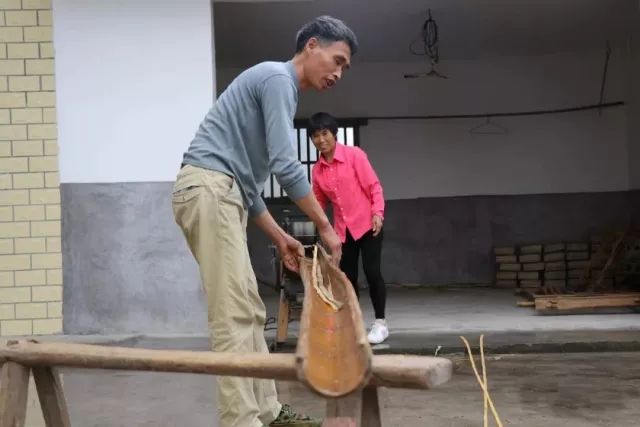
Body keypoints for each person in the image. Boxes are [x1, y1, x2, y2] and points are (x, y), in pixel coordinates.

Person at [171, 16, 358, 427]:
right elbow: (285, 165)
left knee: (251, 312)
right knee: (234, 314)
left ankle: (268, 412)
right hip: (210, 189)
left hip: (223, 191)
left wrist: (279, 237)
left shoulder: (274, 87)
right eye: (337, 59)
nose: (338, 73)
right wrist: (325, 225)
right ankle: (242, 421)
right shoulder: (278, 79)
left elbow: (249, 186)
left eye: (345, 68)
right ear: (312, 46)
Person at [308, 112, 389, 345]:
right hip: (343, 232)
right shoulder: (318, 170)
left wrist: (378, 213)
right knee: (348, 279)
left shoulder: (354, 155)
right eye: (315, 136)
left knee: (373, 273)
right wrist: (319, 224)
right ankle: (354, 323)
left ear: (334, 133)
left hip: (368, 225)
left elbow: (374, 186)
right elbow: (319, 201)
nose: (321, 140)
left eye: (324, 133)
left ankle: (381, 323)